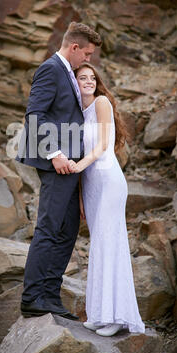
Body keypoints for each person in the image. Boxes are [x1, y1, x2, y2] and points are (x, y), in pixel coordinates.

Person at [15, 22, 102, 320]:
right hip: (57, 164)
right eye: (87, 53)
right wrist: (55, 154)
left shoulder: (68, 72)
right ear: (74, 47)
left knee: (67, 231)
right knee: (49, 228)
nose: (87, 60)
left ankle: (50, 296)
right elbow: (34, 115)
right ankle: (32, 297)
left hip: (71, 168)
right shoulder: (51, 69)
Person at [69, 62, 145, 336]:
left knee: (111, 244)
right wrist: (80, 196)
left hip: (109, 181)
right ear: (74, 82)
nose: (88, 81)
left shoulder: (101, 102)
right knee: (99, 246)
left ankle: (117, 317)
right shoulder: (78, 111)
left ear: (97, 82)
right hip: (91, 186)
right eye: (82, 78)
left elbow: (101, 146)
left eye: (92, 77)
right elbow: (80, 155)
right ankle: (99, 313)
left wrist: (78, 166)